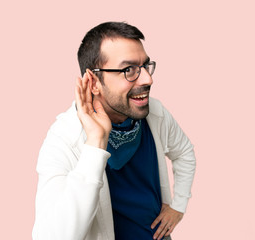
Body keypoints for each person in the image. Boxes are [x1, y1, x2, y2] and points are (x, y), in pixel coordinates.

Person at [32, 22, 196, 240]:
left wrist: (179, 205)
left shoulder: (155, 113)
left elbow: (184, 152)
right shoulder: (63, 138)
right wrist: (95, 142)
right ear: (93, 83)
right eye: (129, 70)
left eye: (145, 66)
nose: (148, 79)